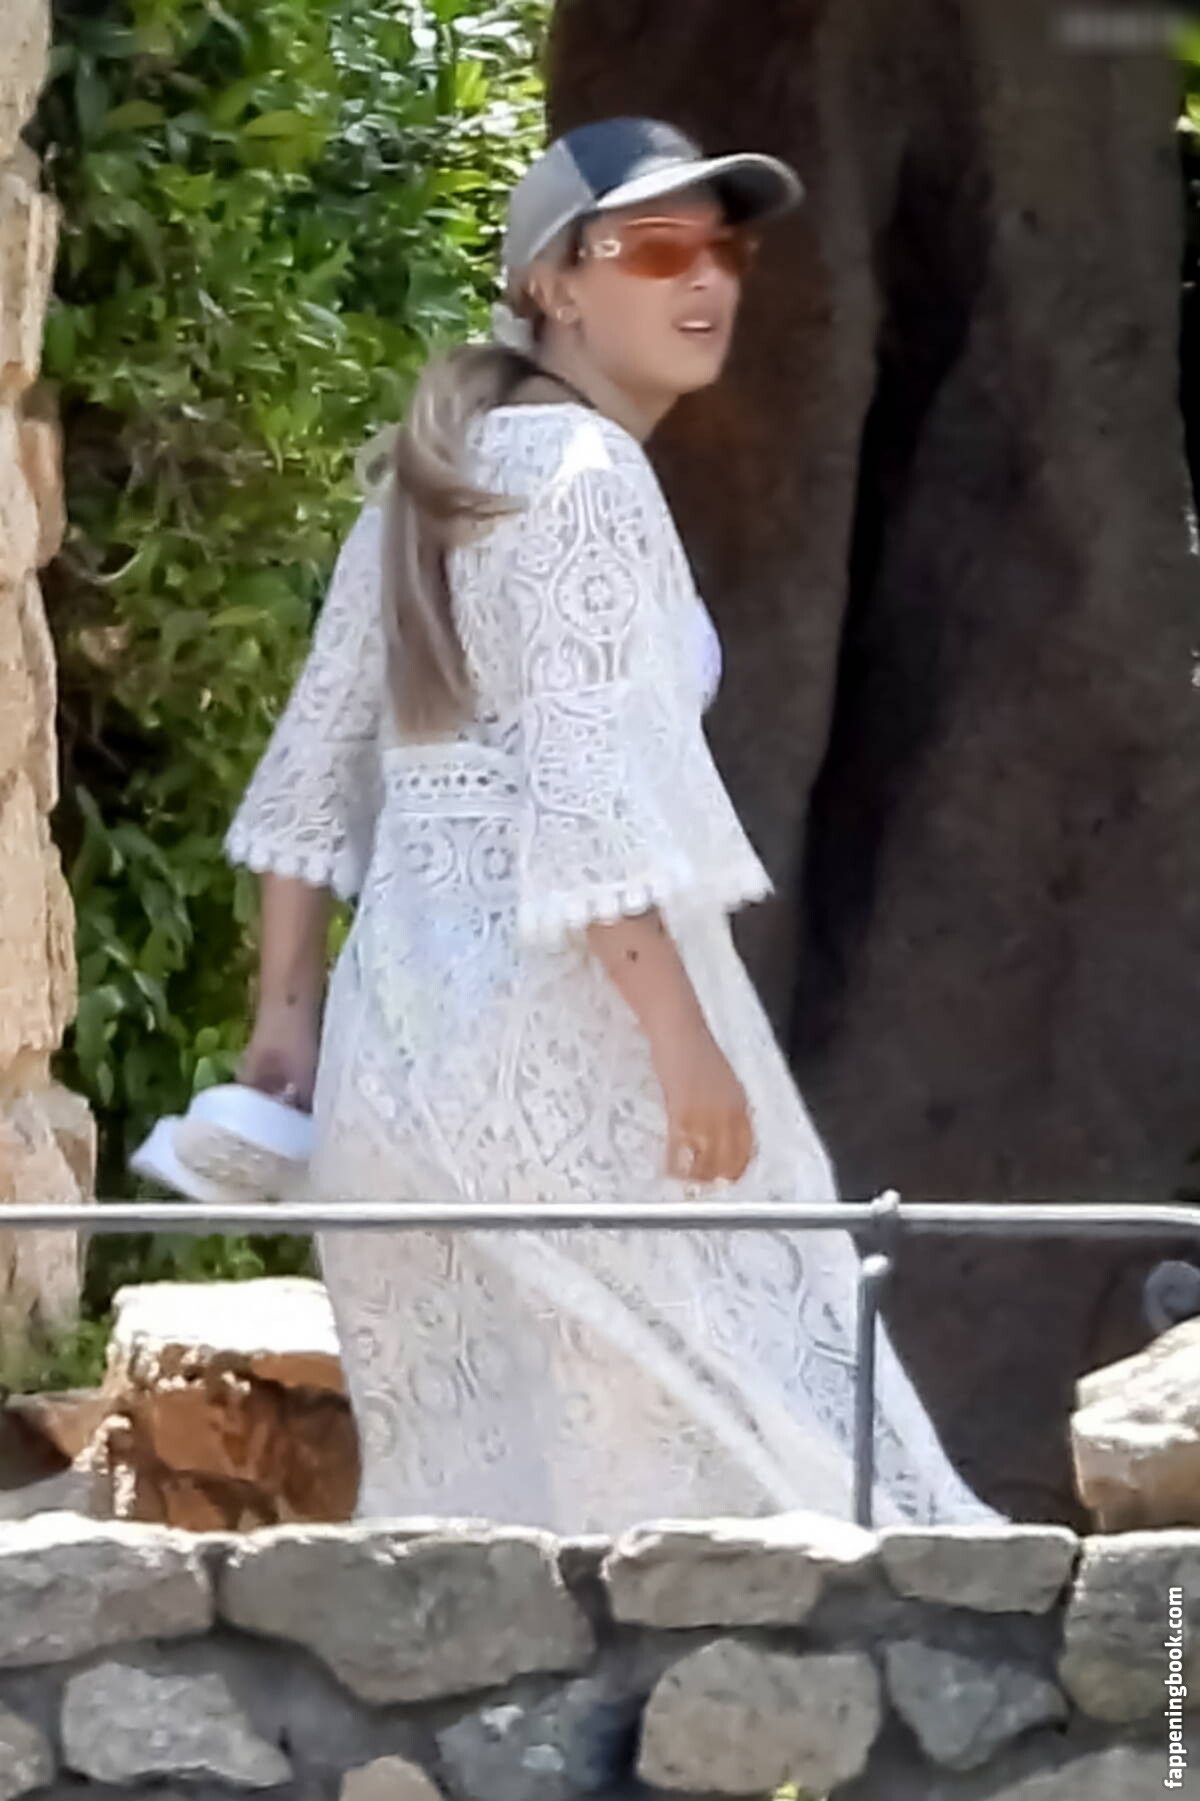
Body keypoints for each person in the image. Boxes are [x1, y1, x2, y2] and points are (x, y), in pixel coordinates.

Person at [226, 117, 997, 1531]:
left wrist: (285, 1029)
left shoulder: (428, 480)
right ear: (553, 284)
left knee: (471, 1514)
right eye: (652, 248)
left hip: (396, 1056)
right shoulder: (586, 479)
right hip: (575, 1046)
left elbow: (306, 779)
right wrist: (684, 1043)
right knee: (762, 1466)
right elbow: (582, 791)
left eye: (723, 250)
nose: (702, 279)